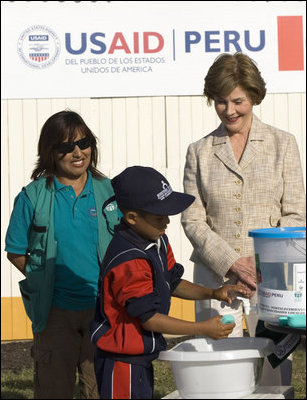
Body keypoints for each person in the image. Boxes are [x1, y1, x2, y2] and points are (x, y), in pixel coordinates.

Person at [181, 53, 306, 383]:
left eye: (237, 100)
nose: (229, 110)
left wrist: (262, 263)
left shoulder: (283, 144)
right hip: (216, 279)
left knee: (275, 372)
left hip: (274, 281)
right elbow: (192, 219)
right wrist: (233, 262)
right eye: (220, 102)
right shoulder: (199, 151)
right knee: (222, 372)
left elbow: (296, 212)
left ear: (254, 96)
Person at [90, 165, 247, 399]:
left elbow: (172, 281)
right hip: (120, 362)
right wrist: (202, 328)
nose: (167, 223)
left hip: (139, 358)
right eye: (159, 217)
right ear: (132, 217)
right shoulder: (129, 260)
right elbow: (149, 319)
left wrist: (213, 293)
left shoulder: (157, 239)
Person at [5, 110, 120, 399]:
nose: (78, 152)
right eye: (66, 146)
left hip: (103, 311)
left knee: (100, 390)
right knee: (54, 389)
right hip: (54, 312)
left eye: (84, 143)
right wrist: (44, 279)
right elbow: (16, 250)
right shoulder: (32, 196)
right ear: (50, 152)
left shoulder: (109, 191)